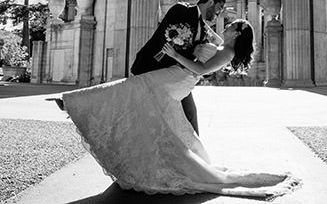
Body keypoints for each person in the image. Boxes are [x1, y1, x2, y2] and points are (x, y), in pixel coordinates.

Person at [61, 20, 301, 198]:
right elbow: (206, 31)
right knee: (140, 99)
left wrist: (175, 53)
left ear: (237, 33)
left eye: (230, 26)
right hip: (177, 75)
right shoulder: (221, 43)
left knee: (135, 88)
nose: (225, 26)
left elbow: (199, 70)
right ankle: (79, 104)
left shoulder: (227, 52)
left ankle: (77, 103)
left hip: (181, 77)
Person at [131, 0, 226, 134]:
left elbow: (216, 43)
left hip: (178, 75)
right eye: (218, 9)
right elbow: (165, 37)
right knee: (149, 116)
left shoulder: (203, 28)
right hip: (153, 68)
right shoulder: (181, 9)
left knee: (190, 113)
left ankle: (194, 152)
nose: (217, 15)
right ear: (210, 2)